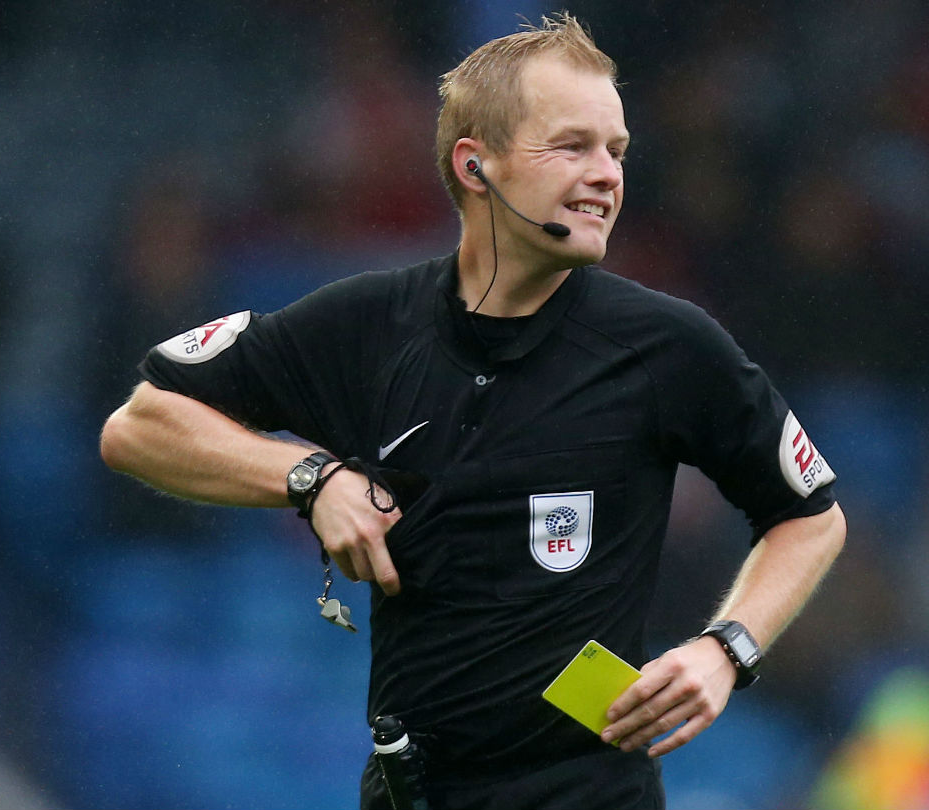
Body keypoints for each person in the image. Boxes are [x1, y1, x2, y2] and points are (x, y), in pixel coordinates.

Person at [99, 14, 845, 810]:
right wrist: (311, 477)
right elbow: (139, 425)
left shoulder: (667, 345)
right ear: (476, 165)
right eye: (572, 147)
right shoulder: (367, 326)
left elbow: (810, 516)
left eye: (617, 151)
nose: (606, 175)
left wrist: (726, 650)